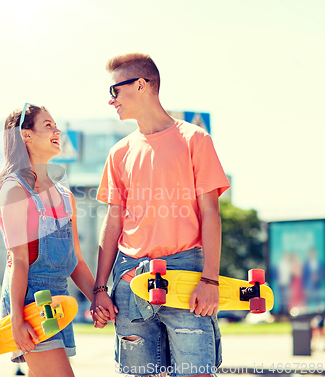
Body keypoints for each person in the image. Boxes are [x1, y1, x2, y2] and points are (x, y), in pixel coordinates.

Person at [91, 53, 231, 377]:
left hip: (186, 274)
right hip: (129, 277)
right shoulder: (119, 152)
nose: (110, 100)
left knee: (197, 373)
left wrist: (210, 278)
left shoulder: (195, 139)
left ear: (141, 85)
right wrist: (100, 289)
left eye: (115, 91)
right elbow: (112, 223)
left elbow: (211, 213)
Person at [0, 104, 107, 377]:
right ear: (26, 136)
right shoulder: (14, 189)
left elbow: (76, 261)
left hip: (58, 301)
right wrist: (16, 321)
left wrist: (98, 296)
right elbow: (19, 261)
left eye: (56, 125)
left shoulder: (65, 197)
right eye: (48, 125)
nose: (57, 131)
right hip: (30, 304)